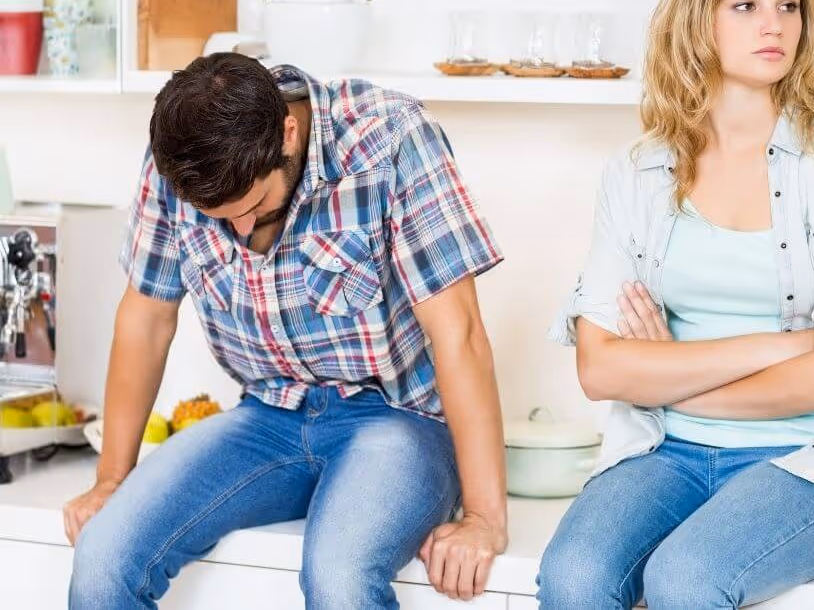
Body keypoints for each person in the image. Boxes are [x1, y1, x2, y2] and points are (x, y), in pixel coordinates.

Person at [538, 0, 814, 609]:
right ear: (695, 18)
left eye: (788, 5)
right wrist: (786, 345)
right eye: (745, 4)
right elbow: (602, 369)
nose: (775, 25)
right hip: (663, 452)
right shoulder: (638, 170)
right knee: (573, 576)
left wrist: (671, 375)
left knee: (685, 577)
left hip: (807, 468)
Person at [64, 54, 508, 608]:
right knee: (104, 555)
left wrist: (485, 518)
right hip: (265, 415)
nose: (241, 230)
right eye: (220, 217)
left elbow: (459, 333)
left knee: (338, 575)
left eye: (251, 207)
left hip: (398, 420)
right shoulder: (178, 156)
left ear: (288, 135)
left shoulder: (389, 136)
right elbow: (147, 318)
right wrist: (110, 479)